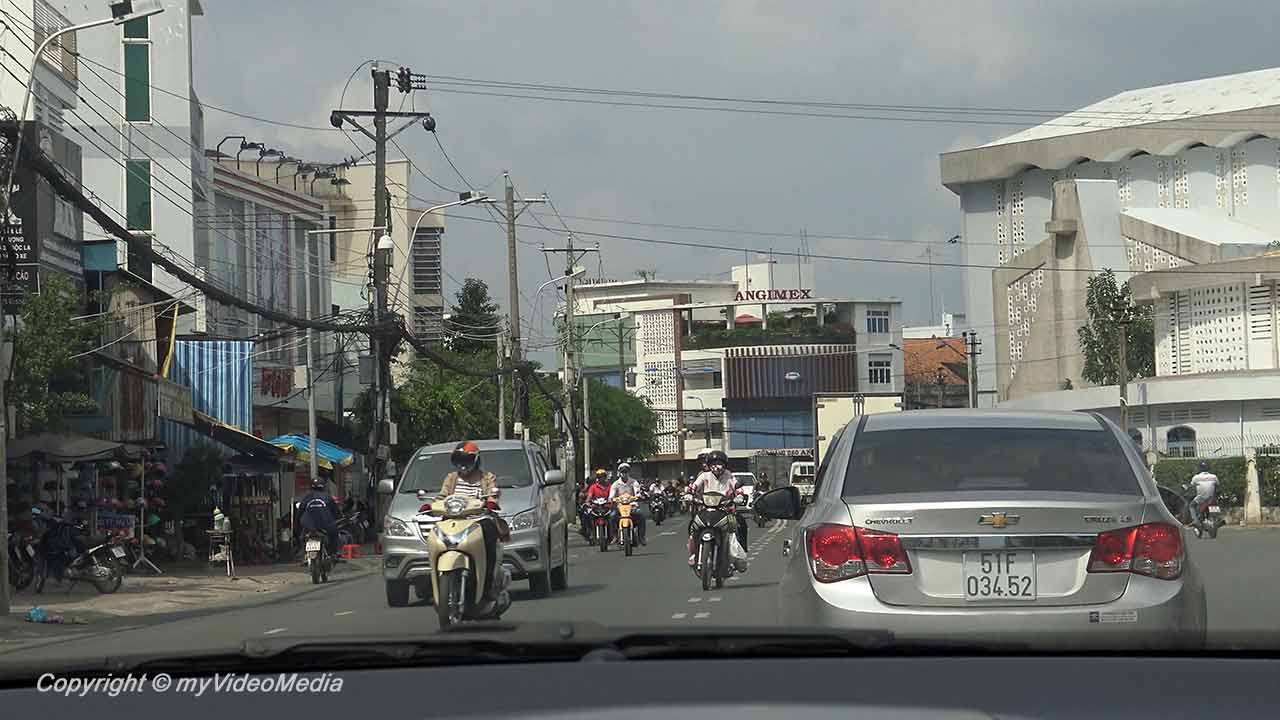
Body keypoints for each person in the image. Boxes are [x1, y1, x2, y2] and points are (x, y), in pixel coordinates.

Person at [688, 449, 746, 567]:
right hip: (706, 510)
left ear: (725, 465)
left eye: (720, 463)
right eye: (714, 463)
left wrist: (739, 496)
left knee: (740, 524)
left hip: (726, 511)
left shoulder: (729, 476)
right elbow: (694, 486)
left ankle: (738, 556)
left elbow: (737, 487)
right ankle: (694, 553)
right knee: (693, 526)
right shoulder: (704, 476)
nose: (717, 466)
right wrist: (689, 494)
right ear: (709, 465)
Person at [297, 478, 340, 555]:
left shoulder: (307, 497)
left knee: (302, 536)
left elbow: (300, 511)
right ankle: (333, 554)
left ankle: (303, 552)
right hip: (325, 525)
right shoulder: (328, 497)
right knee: (334, 535)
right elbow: (335, 511)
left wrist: (298, 520)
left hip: (309, 526)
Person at [609, 462, 647, 545]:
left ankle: (641, 537)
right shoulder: (615, 484)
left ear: (628, 472)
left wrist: (638, 496)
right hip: (620, 507)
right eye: (622, 472)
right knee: (612, 516)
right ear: (619, 473)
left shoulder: (634, 482)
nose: (624, 474)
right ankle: (614, 536)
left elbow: (637, 492)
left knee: (641, 515)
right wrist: (612, 499)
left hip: (632, 506)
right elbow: (611, 496)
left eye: (626, 471)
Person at [1188, 461, 1218, 529]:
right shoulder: (1214, 476)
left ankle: (1195, 521)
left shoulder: (1196, 477)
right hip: (1211, 498)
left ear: (1199, 468)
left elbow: (1191, 486)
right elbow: (1217, 485)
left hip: (1201, 497)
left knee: (1191, 506)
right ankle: (1216, 517)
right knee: (1215, 504)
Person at [581, 469, 612, 536]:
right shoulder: (593, 487)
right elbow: (589, 496)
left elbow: (612, 496)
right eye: (599, 477)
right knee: (587, 515)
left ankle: (612, 535)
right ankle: (590, 532)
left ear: (605, 477)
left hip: (606, 507)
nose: (601, 478)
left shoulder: (609, 486)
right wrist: (588, 502)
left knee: (612, 517)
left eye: (603, 476)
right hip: (595, 507)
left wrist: (611, 501)